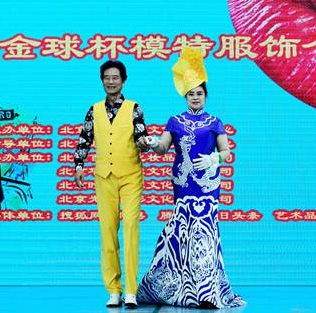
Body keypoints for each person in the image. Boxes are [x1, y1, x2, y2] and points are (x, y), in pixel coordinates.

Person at [137, 47, 246, 309]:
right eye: (191, 94)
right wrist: (152, 143)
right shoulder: (174, 121)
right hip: (183, 185)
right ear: (185, 96)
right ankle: (177, 289)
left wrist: (213, 159)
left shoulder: (215, 122)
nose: (195, 97)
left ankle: (207, 292)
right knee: (181, 232)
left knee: (205, 233)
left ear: (206, 96)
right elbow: (163, 148)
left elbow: (227, 153)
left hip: (207, 186)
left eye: (199, 93)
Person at [74, 60, 149, 309]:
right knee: (108, 232)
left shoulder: (134, 108)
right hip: (103, 176)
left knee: (130, 229)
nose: (111, 81)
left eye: (115, 77)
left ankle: (131, 291)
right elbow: (84, 139)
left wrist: (145, 143)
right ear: (102, 81)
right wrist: (79, 165)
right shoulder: (93, 110)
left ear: (123, 81)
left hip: (130, 176)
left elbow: (140, 135)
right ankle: (114, 290)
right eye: (107, 77)